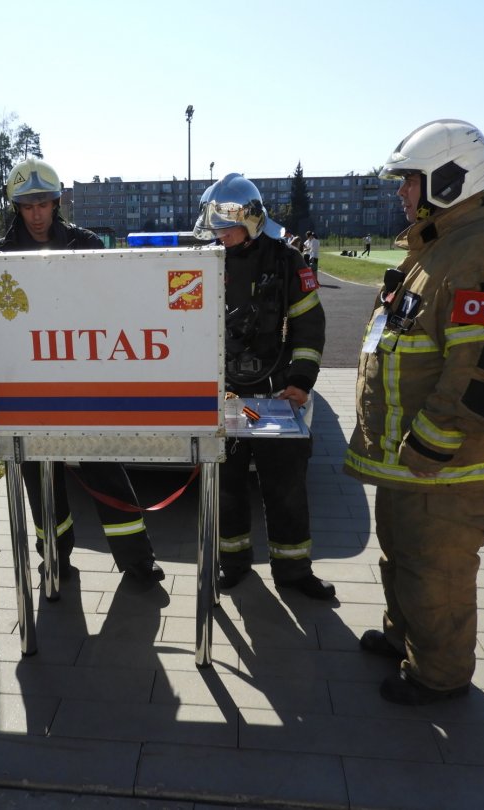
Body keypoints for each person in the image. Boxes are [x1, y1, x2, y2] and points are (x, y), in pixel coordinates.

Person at [345, 119, 484, 705]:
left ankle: (441, 674)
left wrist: (433, 442)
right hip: (414, 458)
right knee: (404, 550)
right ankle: (407, 638)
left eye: (410, 181)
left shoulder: (479, 251)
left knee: (438, 568)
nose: (402, 193)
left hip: (446, 462)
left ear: (450, 179)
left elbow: (483, 362)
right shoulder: (437, 247)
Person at [0, 157, 165, 583]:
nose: (35, 214)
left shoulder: (84, 242)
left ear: (56, 203)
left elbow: (110, 305)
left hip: (84, 380)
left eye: (43, 205)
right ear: (17, 207)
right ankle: (54, 557)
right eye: (28, 206)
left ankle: (137, 560)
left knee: (105, 466)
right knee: (40, 478)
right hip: (28, 389)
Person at [195, 173, 335, 600]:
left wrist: (300, 381)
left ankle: (294, 573)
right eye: (215, 226)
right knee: (227, 486)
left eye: (227, 225)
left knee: (286, 487)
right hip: (226, 396)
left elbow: (310, 325)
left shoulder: (286, 260)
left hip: (275, 397)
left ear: (252, 220)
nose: (220, 235)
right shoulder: (202, 264)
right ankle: (233, 564)